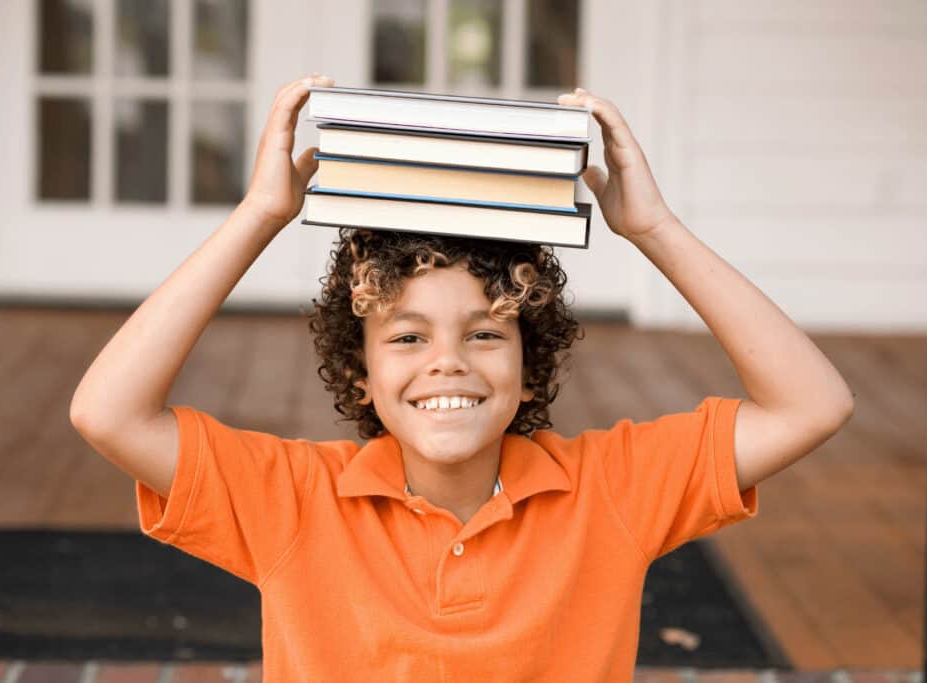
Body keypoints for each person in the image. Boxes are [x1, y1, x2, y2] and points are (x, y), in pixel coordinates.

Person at [69, 74, 854, 681]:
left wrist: (653, 228)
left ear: (527, 361)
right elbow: (108, 412)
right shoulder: (294, 502)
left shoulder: (611, 491)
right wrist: (258, 217)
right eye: (407, 335)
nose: (448, 359)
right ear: (361, 371)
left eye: (485, 332)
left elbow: (812, 404)